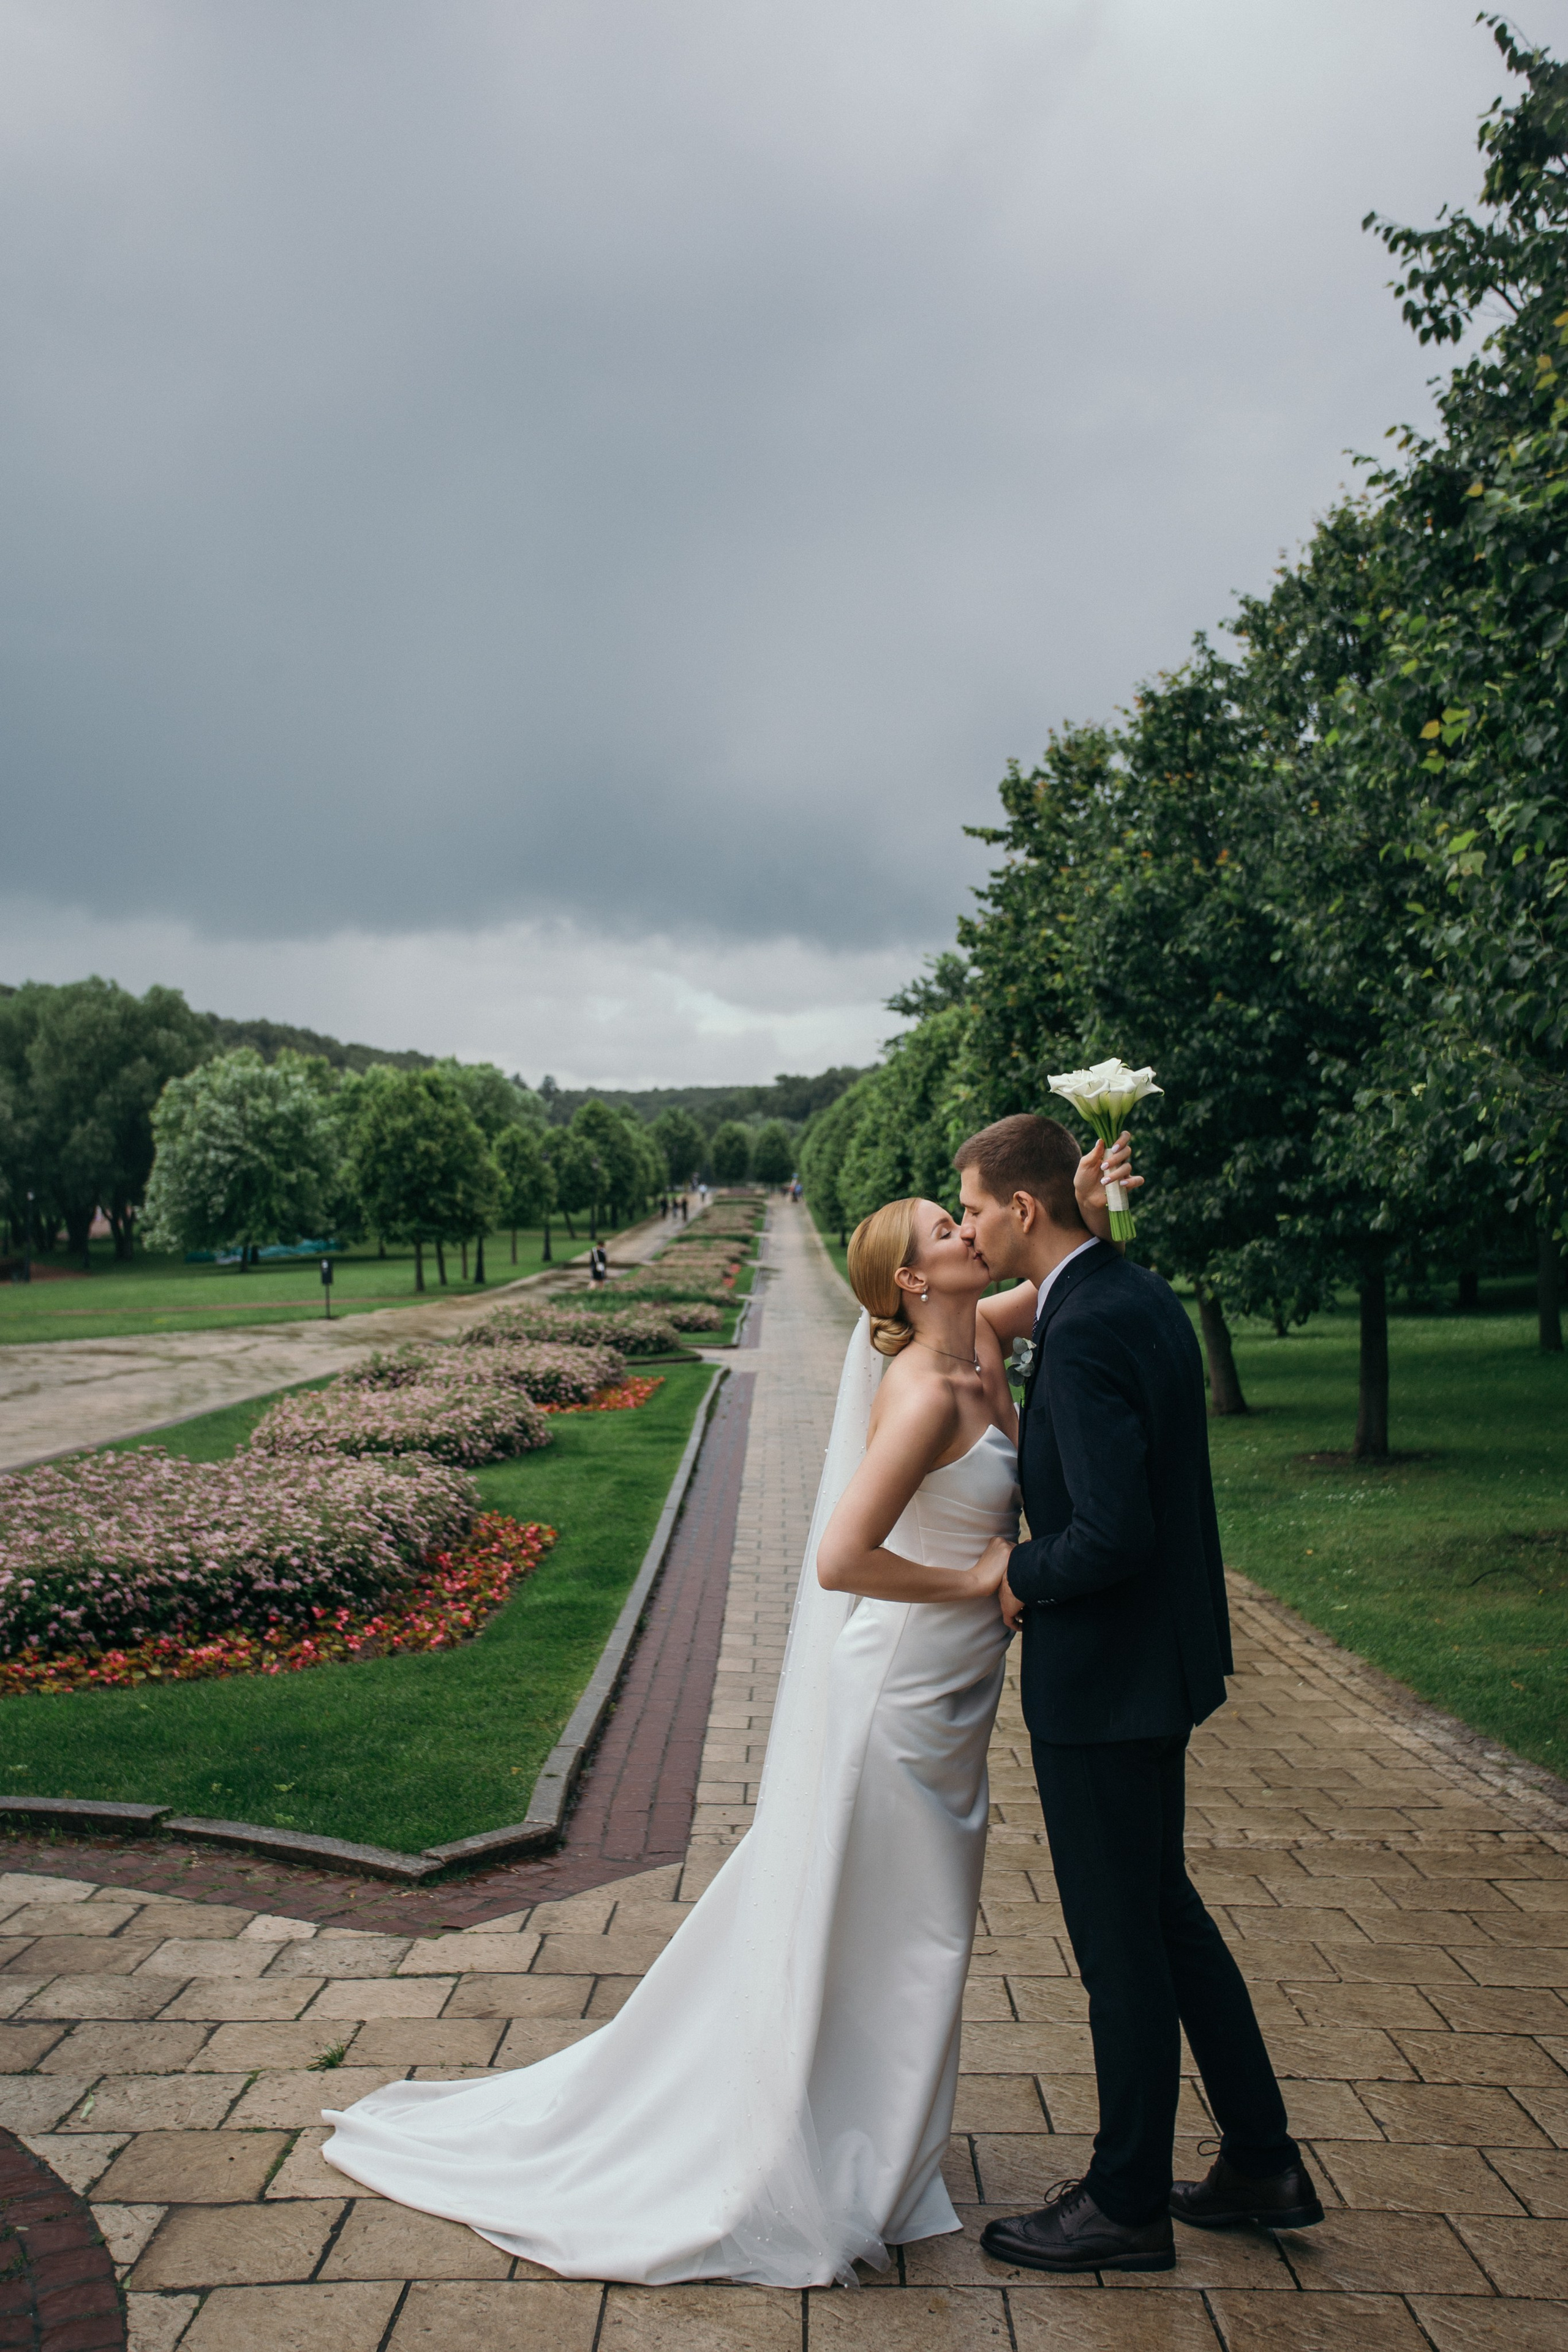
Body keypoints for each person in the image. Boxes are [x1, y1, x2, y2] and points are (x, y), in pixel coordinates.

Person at [320, 1155, 1121, 2285]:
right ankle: (835, 2157)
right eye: (951, 1227)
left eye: (970, 1218)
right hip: (895, 1692)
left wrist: (1101, 1190)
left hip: (952, 1697)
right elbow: (841, 1559)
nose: (972, 1233)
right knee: (907, 1922)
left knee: (915, 1925)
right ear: (909, 1280)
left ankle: (875, 2147)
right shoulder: (926, 1394)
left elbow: (1066, 1274)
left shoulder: (980, 1340)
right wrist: (996, 1574)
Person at [954, 1112, 1322, 2275]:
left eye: (972, 1207)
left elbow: (1112, 1533)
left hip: (1106, 1684)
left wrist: (1017, 1571)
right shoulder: (1128, 1293)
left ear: (1023, 1209)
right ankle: (1261, 2159)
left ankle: (1124, 2204)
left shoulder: (1096, 1321)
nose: (965, 1226)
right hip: (1148, 1670)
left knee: (1122, 1951)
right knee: (1165, 1916)